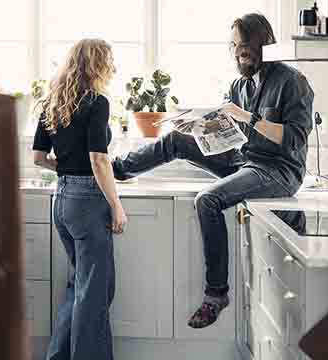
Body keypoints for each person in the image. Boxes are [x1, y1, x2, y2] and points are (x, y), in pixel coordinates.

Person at [113, 13, 314, 329]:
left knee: (207, 199)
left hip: (278, 171)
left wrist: (245, 117)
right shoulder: (238, 84)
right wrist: (197, 127)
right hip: (242, 158)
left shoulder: (292, 82)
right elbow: (227, 134)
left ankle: (216, 293)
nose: (238, 53)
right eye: (234, 46)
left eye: (245, 47)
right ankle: (115, 170)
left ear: (264, 44)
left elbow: (293, 140)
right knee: (177, 139)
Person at [32, 39, 126, 360]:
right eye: (108, 59)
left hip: (63, 199)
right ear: (98, 63)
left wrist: (69, 168)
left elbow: (39, 157)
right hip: (88, 201)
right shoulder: (97, 102)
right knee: (94, 294)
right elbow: (99, 159)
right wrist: (116, 205)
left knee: (79, 288)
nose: (111, 66)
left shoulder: (54, 102)